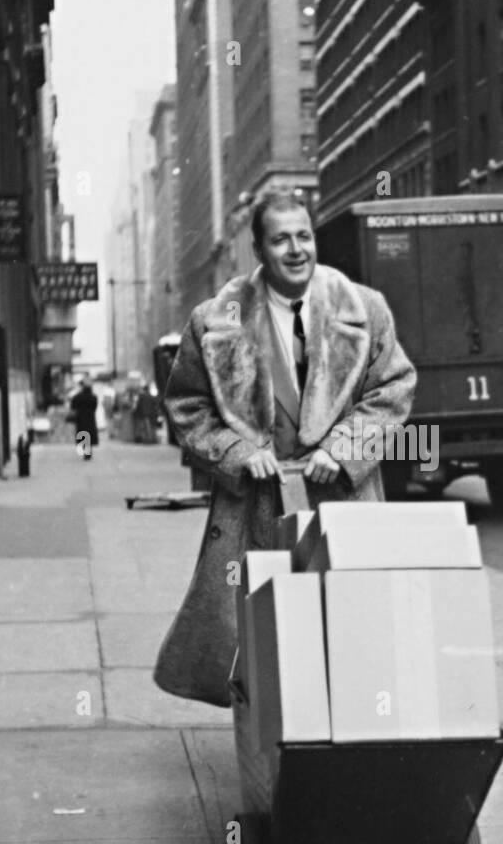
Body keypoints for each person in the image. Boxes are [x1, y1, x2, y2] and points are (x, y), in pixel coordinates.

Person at [154, 188, 417, 707]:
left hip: (342, 498)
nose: (296, 249)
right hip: (258, 507)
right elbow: (186, 404)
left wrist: (342, 449)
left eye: (303, 236)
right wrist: (235, 452)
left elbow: (393, 389)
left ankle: (346, 736)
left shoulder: (365, 310)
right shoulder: (213, 322)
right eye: (280, 240)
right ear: (258, 248)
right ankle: (272, 746)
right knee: (268, 636)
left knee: (348, 629)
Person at [69, 377, 99, 460]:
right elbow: (94, 407)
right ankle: (88, 451)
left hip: (81, 418)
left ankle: (85, 451)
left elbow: (73, 406)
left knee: (83, 433)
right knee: (90, 433)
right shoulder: (93, 397)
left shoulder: (78, 397)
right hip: (90, 418)